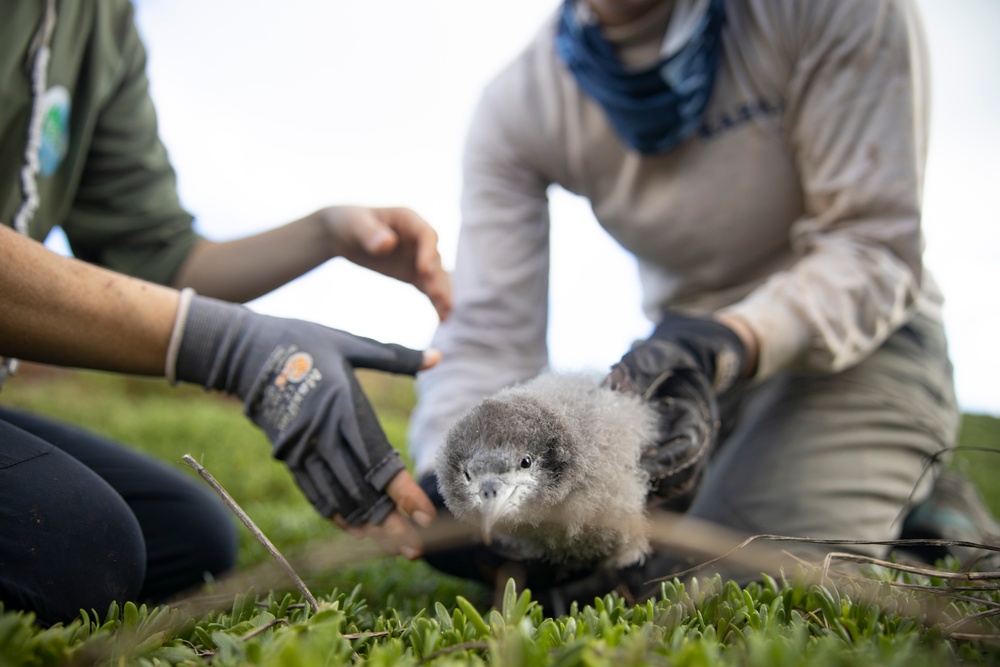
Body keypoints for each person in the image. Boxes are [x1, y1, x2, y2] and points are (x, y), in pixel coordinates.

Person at [409, 0, 993, 604]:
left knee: (735, 588)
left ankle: (925, 496)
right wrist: (446, 478)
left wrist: (727, 341)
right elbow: (487, 329)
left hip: (860, 343)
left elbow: (872, 247)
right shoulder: (520, 102)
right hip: (688, 381)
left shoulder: (830, 10)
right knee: (596, 575)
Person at [0, 0, 449, 626]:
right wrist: (235, 350)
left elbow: (156, 262)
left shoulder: (100, 22)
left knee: (188, 539)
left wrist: (325, 234)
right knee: (72, 546)